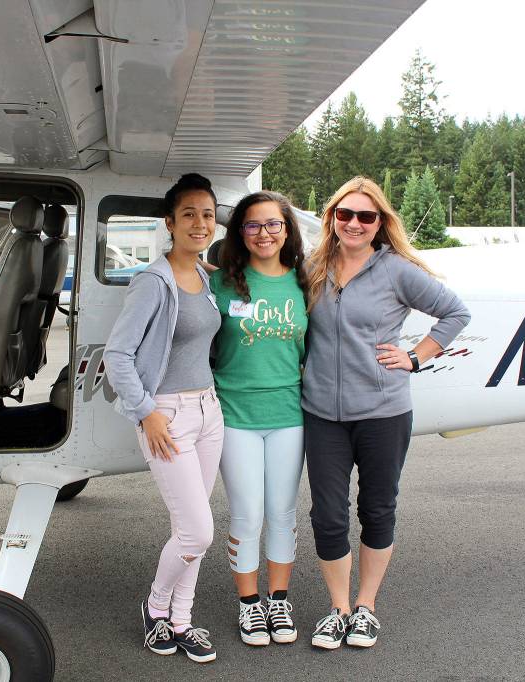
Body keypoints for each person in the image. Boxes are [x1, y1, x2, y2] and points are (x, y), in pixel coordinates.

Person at [302, 176, 470, 650]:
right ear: (332, 217)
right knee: (329, 517)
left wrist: (416, 356)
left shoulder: (397, 270)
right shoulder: (313, 266)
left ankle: (366, 608)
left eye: (365, 216)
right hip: (322, 413)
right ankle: (337, 609)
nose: (353, 223)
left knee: (377, 510)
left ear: (380, 223)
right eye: (345, 214)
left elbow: (455, 313)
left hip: (383, 412)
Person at [102, 173, 224, 664]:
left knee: (190, 527)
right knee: (198, 532)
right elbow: (118, 354)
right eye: (189, 214)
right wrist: (146, 413)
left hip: (209, 412)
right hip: (168, 415)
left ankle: (182, 621)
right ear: (169, 223)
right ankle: (155, 609)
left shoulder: (206, 278)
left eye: (209, 215)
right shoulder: (153, 282)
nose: (200, 223)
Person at [207, 191, 308, 646]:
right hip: (235, 415)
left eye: (272, 225)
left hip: (289, 415)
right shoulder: (222, 284)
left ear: (286, 230)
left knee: (283, 513)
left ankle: (278, 601)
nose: (264, 233)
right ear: (240, 233)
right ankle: (250, 607)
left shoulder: (305, 282)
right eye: (252, 225)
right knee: (248, 515)